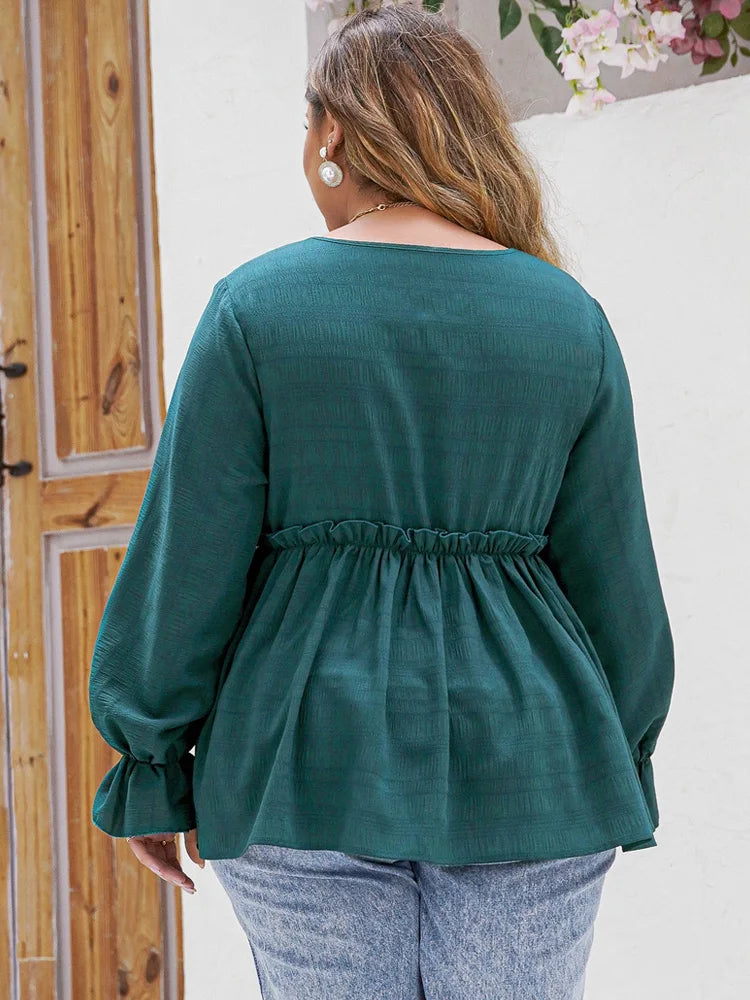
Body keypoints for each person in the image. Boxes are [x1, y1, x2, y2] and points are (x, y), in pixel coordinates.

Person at [88, 5, 675, 998]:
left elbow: (187, 564)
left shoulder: (256, 309)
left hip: (297, 763)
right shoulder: (567, 320)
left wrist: (153, 766)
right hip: (531, 765)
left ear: (333, 136)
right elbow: (616, 581)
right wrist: (613, 758)